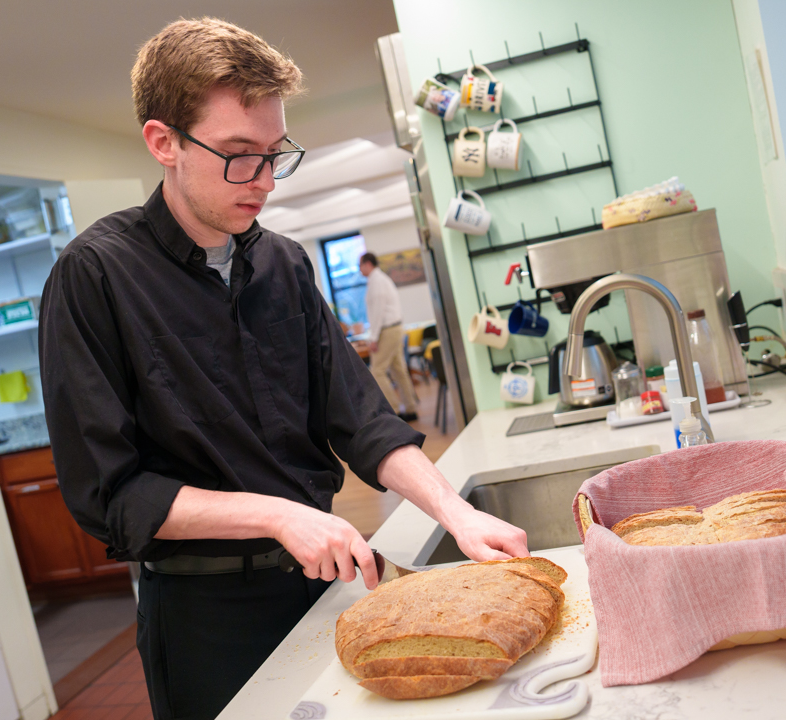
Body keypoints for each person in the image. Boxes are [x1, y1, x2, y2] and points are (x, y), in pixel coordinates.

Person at [37, 18, 527, 720]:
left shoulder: (285, 264)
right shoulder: (95, 275)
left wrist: (455, 512)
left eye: (275, 154)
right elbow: (108, 494)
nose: (264, 182)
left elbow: (362, 420)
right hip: (206, 615)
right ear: (163, 142)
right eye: (240, 155)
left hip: (324, 583)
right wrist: (280, 516)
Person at [359, 252, 421, 421]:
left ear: (367, 264)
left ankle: (395, 410)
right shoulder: (382, 279)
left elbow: (378, 312)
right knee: (399, 370)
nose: (359, 270)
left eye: (360, 265)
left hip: (386, 330)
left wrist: (374, 337)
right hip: (394, 328)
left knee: (377, 371)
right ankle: (410, 408)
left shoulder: (377, 282)